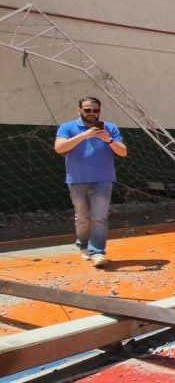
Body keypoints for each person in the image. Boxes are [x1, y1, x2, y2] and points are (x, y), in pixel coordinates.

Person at [54, 97, 127, 268]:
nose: (91, 113)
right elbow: (59, 148)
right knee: (82, 217)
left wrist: (108, 140)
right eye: (87, 110)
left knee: (99, 217)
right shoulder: (68, 127)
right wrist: (84, 135)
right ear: (79, 110)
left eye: (95, 110)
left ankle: (97, 252)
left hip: (103, 179)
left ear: (99, 112)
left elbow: (123, 152)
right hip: (77, 180)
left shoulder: (109, 128)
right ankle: (83, 245)